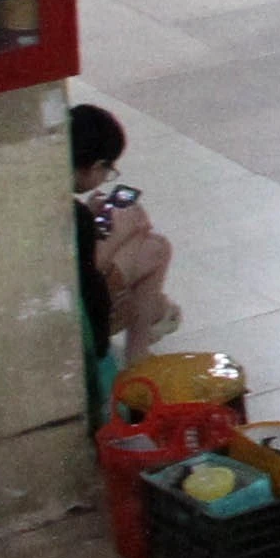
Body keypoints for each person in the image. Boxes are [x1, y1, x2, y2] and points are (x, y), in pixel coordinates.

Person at [69, 105, 177, 391]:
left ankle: (154, 319)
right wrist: (120, 233)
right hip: (80, 312)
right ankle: (140, 349)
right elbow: (90, 269)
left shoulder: (60, 199)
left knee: (152, 247)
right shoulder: (72, 213)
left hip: (75, 290)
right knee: (154, 249)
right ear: (95, 166)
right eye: (108, 169)